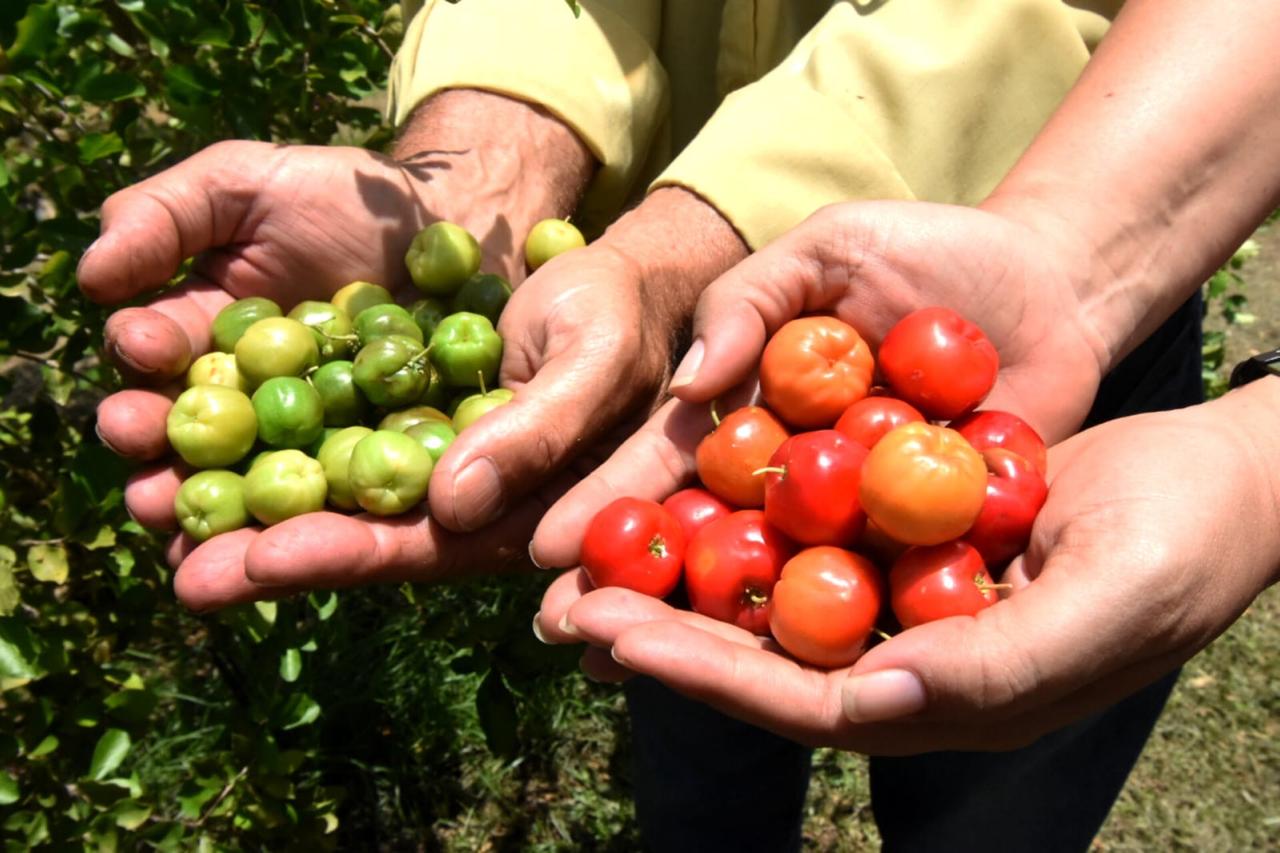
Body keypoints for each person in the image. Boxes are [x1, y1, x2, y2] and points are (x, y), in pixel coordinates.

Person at [77, 0, 1261, 849]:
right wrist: (489, 156)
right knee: (687, 726)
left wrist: (688, 239)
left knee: (998, 799)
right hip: (695, 417)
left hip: (1058, 307)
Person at [530, 0, 1280, 848]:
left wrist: (1261, 455)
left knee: (998, 813)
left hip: (1101, 306)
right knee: (698, 752)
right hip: (749, 385)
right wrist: (509, 96)